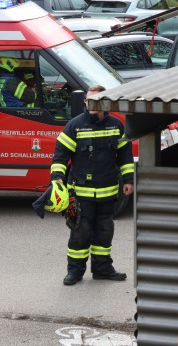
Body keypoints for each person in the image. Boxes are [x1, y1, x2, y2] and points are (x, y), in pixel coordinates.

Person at [50, 85, 135, 286]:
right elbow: (60, 155)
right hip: (81, 192)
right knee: (81, 232)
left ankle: (102, 269)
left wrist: (129, 180)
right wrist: (57, 177)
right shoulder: (75, 126)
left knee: (104, 231)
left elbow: (125, 155)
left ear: (105, 102)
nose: (90, 104)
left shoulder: (116, 125)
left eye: (95, 101)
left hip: (107, 191)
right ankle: (75, 272)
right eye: (88, 101)